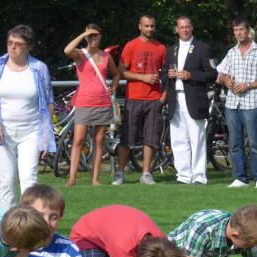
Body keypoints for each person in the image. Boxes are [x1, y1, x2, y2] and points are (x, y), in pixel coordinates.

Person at [0, 25, 55, 209]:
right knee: (6, 181)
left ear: (29, 47)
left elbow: (49, 103)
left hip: (31, 132)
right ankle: (7, 223)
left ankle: (30, 222)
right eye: (10, 42)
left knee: (29, 180)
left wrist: (46, 137)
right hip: (2, 133)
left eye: (18, 44)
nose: (12, 46)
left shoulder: (39, 68)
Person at [217, 18, 257, 189]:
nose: (238, 33)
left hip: (252, 103)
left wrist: (249, 85)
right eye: (235, 30)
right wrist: (226, 81)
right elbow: (220, 74)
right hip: (232, 104)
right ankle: (240, 178)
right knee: (235, 143)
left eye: (241, 29)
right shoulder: (231, 52)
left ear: (248, 30)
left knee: (255, 143)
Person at [113, 14, 166, 186]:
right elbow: (121, 72)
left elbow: (167, 74)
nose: (150, 29)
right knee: (127, 138)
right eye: (146, 26)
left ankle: (146, 174)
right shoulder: (131, 46)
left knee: (151, 138)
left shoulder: (161, 48)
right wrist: (143, 78)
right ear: (140, 26)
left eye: (152, 26)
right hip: (134, 98)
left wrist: (163, 97)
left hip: (154, 99)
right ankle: (120, 173)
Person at [63, 24, 120, 186]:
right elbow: (67, 50)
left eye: (96, 35)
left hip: (103, 102)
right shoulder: (80, 54)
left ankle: (95, 179)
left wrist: (114, 87)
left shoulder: (106, 56)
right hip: (84, 101)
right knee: (78, 140)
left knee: (99, 140)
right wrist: (83, 34)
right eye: (90, 35)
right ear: (86, 37)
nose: (93, 38)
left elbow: (116, 74)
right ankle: (72, 178)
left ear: (101, 36)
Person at [162, 16, 217, 185]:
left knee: (197, 138)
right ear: (176, 29)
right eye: (181, 27)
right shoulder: (171, 50)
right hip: (175, 98)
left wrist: (192, 75)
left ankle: (199, 176)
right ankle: (183, 176)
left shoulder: (202, 48)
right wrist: (168, 75)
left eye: (187, 27)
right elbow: (163, 74)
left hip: (194, 98)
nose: (184, 30)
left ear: (192, 28)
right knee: (178, 139)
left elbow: (213, 74)